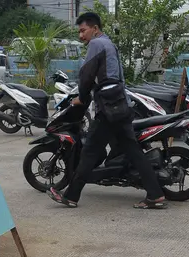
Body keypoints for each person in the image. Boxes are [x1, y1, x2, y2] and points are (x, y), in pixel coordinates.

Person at [46, 12, 167, 209]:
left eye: (83, 30)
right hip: (120, 105)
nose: (81, 35)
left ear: (94, 28)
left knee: (90, 152)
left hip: (108, 109)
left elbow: (86, 75)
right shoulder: (109, 43)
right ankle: (155, 195)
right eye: (79, 31)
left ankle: (70, 196)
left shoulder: (97, 44)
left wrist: (82, 99)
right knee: (134, 152)